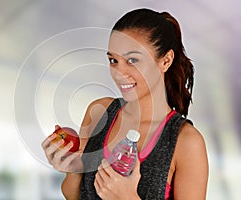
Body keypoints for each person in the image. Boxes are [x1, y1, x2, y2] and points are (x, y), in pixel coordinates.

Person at [42, 8, 208, 200]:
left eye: (132, 60)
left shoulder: (186, 142)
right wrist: (73, 169)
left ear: (166, 61)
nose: (119, 73)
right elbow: (75, 195)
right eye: (114, 60)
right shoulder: (99, 113)